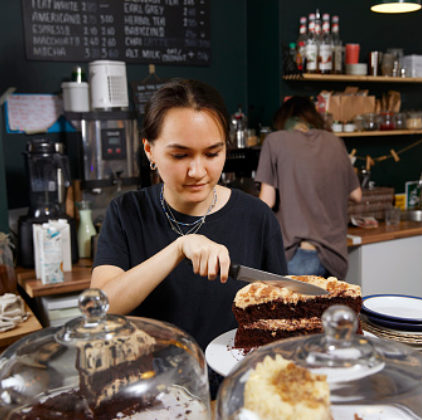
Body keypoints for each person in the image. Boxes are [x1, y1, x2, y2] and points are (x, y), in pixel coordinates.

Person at [91, 79, 287, 352]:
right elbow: (100, 306)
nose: (197, 170)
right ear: (150, 150)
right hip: (155, 385)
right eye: (180, 155)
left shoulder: (257, 217)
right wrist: (179, 248)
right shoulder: (126, 212)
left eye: (212, 153)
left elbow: (278, 315)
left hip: (233, 385)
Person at [255, 96, 362, 280]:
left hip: (297, 256)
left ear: (283, 120)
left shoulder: (275, 140)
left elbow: (266, 202)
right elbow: (356, 195)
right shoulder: (335, 142)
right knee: (326, 309)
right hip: (334, 258)